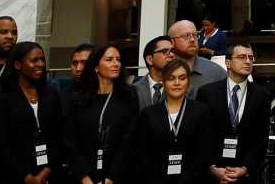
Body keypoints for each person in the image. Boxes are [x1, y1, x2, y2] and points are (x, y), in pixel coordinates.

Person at [119, 59, 215, 183]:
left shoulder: (201, 111)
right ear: (163, 82)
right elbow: (143, 154)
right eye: (171, 78)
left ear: (188, 81)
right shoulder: (148, 114)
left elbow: (204, 152)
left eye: (182, 78)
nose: (177, 83)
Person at [0, 41, 63, 184]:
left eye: (42, 60)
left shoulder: (51, 92)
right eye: (34, 60)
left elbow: (58, 134)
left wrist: (47, 170)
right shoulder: (1, 96)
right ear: (17, 65)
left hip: (50, 172)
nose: (40, 64)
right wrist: (26, 177)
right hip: (15, 174)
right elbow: (1, 142)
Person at [64, 42, 138, 184]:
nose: (116, 64)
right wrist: (85, 178)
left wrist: (110, 179)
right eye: (109, 60)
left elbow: (128, 141)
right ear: (96, 67)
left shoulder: (129, 95)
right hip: (83, 175)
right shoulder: (77, 97)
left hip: (117, 175)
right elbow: (70, 141)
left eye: (118, 60)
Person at [196, 42, 270, 183]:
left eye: (251, 57)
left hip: (245, 176)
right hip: (212, 175)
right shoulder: (207, 93)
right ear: (228, 63)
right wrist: (211, 168)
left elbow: (261, 139)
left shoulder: (262, 95)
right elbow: (201, 136)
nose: (248, 61)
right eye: (242, 57)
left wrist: (246, 168)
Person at [168, 20, 225, 91]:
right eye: (186, 36)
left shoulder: (216, 71)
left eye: (195, 35)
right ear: (172, 42)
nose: (192, 39)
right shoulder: (163, 69)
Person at [134, 36, 176, 109]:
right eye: (164, 51)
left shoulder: (184, 89)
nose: (172, 55)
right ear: (150, 59)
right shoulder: (134, 90)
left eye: (173, 51)